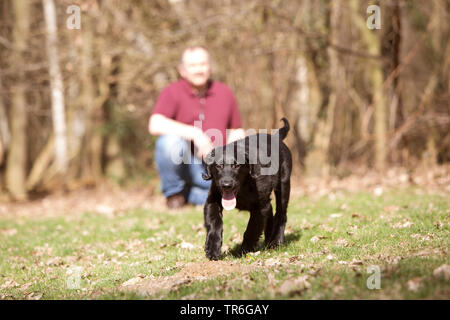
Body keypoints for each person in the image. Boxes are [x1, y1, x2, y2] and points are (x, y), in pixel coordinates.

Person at [149, 46, 245, 209]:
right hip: (188, 165)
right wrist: (195, 134)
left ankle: (192, 195)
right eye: (193, 66)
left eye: (203, 64)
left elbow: (237, 131)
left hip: (218, 168)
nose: (199, 70)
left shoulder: (225, 93)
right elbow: (155, 123)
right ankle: (175, 195)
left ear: (209, 67)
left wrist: (226, 154)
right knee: (168, 142)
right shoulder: (172, 92)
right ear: (182, 70)